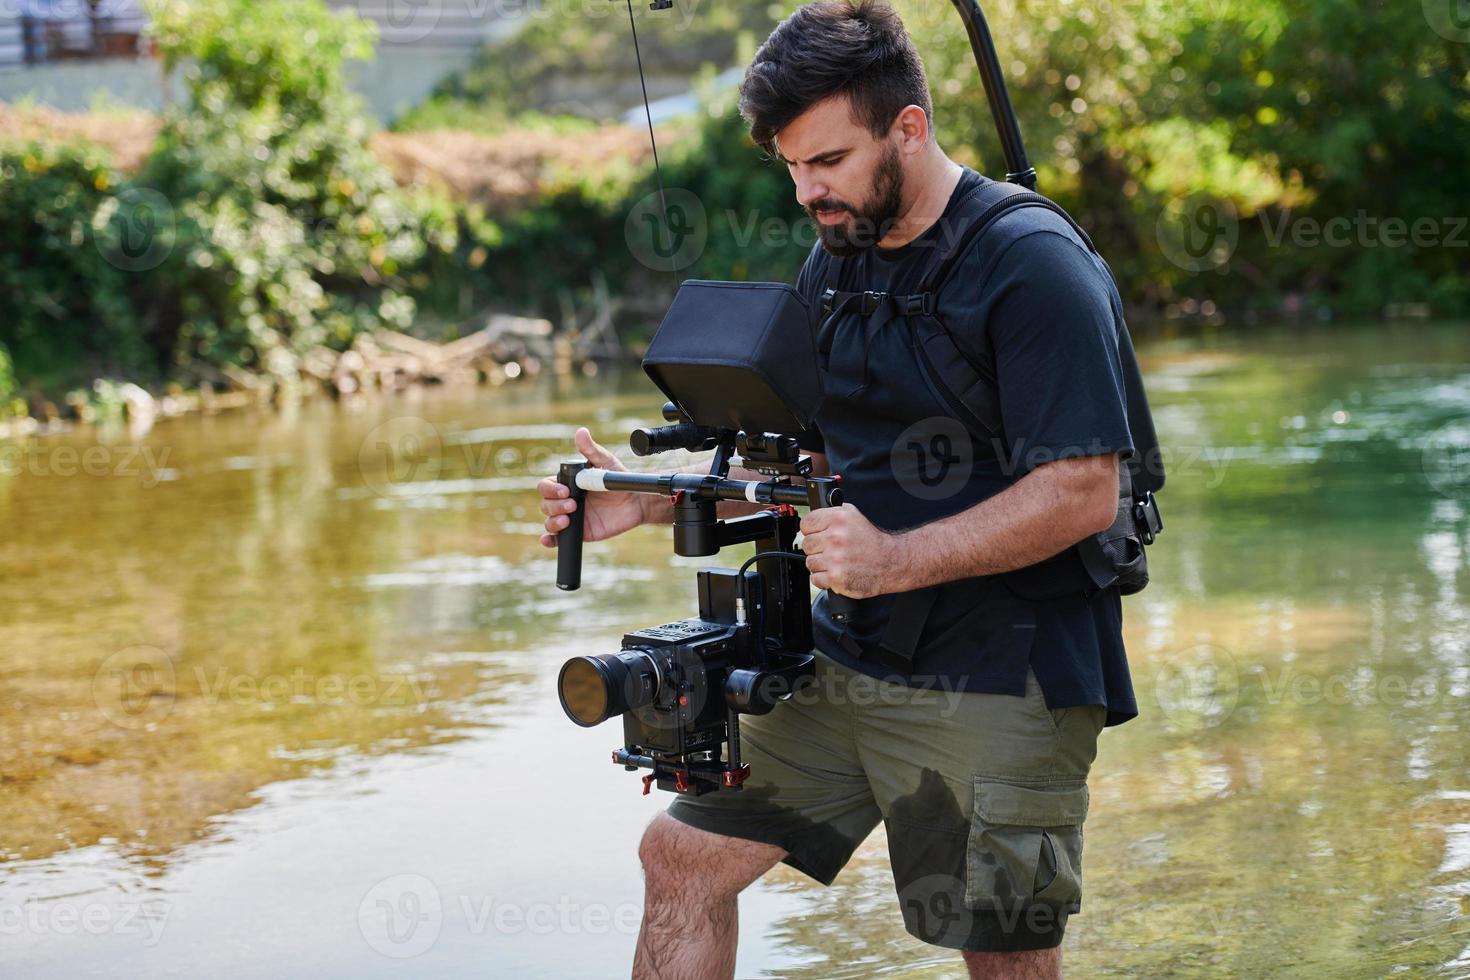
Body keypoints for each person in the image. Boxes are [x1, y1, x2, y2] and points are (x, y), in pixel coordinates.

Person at [536, 2, 1139, 976]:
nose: (809, 190)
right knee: (681, 855)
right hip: (857, 647)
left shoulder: (1032, 266)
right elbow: (814, 469)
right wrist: (657, 498)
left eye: (829, 161)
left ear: (909, 127)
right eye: (792, 168)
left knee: (996, 941)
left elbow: (1082, 491)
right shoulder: (837, 261)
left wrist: (898, 555)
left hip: (1008, 661)